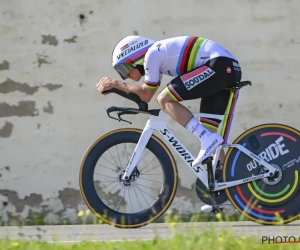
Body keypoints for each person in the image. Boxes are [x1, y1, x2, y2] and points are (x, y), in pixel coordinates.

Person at [96, 35, 242, 169]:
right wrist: (118, 87)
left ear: (134, 58)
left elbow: (146, 95)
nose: (125, 76)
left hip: (220, 65)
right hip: (225, 67)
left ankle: (205, 138)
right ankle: (226, 180)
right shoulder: (158, 61)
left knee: (164, 99)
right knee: (209, 132)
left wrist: (116, 84)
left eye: (123, 69)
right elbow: (145, 95)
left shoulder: (152, 54)